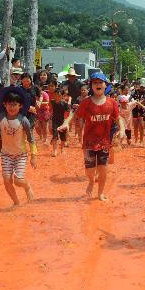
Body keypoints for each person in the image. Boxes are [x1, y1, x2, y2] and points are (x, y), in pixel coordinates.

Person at [58, 72, 118, 201]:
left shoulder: (112, 102)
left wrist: (123, 129)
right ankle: (91, 181)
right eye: (95, 82)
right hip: (89, 142)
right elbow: (74, 114)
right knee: (90, 171)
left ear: (105, 85)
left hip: (104, 142)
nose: (97, 85)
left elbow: (118, 119)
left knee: (103, 169)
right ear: (91, 86)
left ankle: (100, 193)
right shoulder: (86, 103)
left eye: (100, 82)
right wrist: (66, 122)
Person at [0, 89, 37, 207]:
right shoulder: (0, 118)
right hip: (6, 154)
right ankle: (16, 202)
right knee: (7, 181)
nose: (11, 107)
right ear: (4, 104)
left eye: (14, 105)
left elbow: (31, 139)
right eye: (9, 104)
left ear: (20, 106)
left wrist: (33, 156)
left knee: (18, 181)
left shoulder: (23, 120)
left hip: (20, 155)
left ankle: (27, 186)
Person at [49, 81, 70, 157]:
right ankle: (54, 150)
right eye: (56, 95)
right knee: (55, 136)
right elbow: (51, 111)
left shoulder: (65, 104)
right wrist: (50, 122)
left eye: (59, 95)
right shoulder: (52, 102)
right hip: (55, 121)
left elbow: (68, 114)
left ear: (62, 96)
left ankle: (62, 149)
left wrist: (66, 123)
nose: (57, 96)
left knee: (63, 138)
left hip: (62, 122)